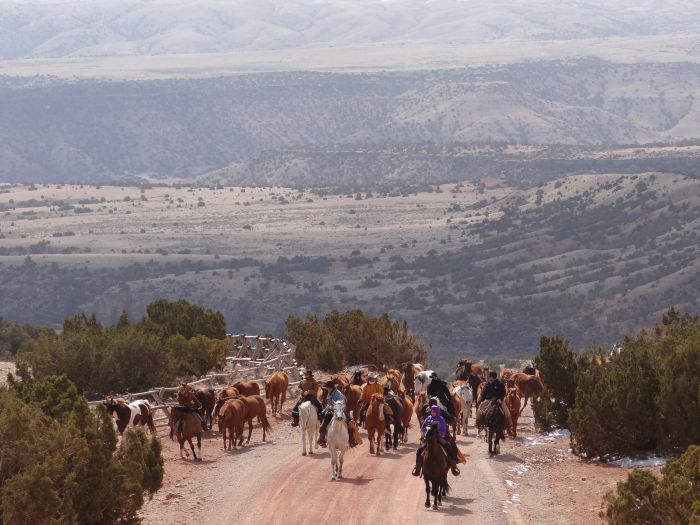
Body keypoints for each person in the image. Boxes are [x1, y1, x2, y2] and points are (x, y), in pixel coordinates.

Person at [412, 405, 460, 477]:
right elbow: (423, 427)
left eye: (434, 411)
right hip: (428, 438)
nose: (432, 413)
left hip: (439, 437)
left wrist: (440, 435)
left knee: (448, 446)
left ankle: (453, 466)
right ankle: (417, 467)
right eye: (432, 411)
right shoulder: (428, 418)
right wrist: (424, 434)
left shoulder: (441, 419)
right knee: (419, 450)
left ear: (437, 411)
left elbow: (444, 429)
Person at [317, 380, 357, 448]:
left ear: (332, 388)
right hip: (331, 410)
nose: (327, 389)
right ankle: (322, 438)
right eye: (327, 388)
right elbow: (328, 404)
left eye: (328, 388)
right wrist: (324, 410)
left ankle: (352, 439)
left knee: (349, 422)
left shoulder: (338, 394)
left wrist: (333, 408)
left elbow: (341, 404)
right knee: (322, 422)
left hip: (340, 410)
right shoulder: (329, 393)